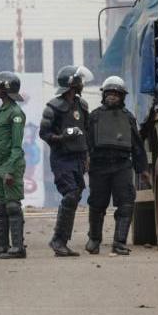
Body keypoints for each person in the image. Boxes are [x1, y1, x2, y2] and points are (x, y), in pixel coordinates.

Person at [85, 76, 150, 255]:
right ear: (104, 95)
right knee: (97, 205)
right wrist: (86, 158)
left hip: (121, 166)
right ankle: (94, 240)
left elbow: (137, 145)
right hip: (99, 166)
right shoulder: (95, 116)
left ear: (122, 96)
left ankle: (119, 242)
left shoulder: (128, 118)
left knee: (126, 203)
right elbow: (86, 141)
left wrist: (142, 169)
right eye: (109, 93)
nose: (112, 96)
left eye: (116, 94)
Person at [39, 65, 94, 257]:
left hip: (78, 157)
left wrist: (87, 156)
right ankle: (58, 240)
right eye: (78, 80)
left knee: (77, 195)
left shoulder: (83, 106)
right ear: (71, 83)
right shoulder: (53, 107)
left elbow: (86, 132)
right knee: (70, 194)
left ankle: (62, 241)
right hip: (62, 158)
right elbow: (44, 133)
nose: (82, 83)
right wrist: (62, 137)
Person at [0, 72, 27, 260]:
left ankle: (18, 248)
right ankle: (3, 246)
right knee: (0, 207)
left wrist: (9, 170)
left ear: (6, 90)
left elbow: (17, 147)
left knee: (12, 206)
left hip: (11, 165)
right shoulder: (2, 111)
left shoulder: (16, 114)